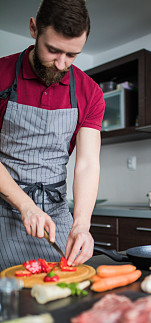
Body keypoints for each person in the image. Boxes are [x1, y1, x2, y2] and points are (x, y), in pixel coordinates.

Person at [0, 0, 105, 271]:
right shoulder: (1, 75)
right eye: (53, 50)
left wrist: (82, 225)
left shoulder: (90, 92)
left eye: (72, 55)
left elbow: (87, 163)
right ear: (34, 29)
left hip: (56, 217)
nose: (61, 64)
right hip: (3, 213)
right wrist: (26, 205)